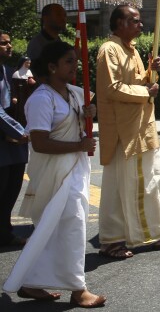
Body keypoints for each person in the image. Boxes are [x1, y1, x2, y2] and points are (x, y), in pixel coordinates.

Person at [3, 41, 106, 307]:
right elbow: (39, 142)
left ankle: (31, 282)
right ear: (51, 67)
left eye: (75, 60)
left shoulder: (73, 94)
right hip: (54, 172)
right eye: (69, 61)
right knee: (72, 224)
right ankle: (77, 288)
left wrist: (89, 115)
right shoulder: (41, 98)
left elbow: (78, 126)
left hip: (74, 169)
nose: (76, 65)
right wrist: (79, 145)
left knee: (55, 228)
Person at [96, 5, 160, 259]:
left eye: (139, 21)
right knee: (119, 187)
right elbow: (112, 89)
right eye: (134, 21)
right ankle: (111, 240)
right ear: (118, 24)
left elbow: (143, 82)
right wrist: (145, 92)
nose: (140, 25)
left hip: (143, 127)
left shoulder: (133, 50)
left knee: (155, 181)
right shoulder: (109, 50)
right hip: (123, 131)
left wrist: (153, 70)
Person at [0, 31, 28, 248]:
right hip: (5, 139)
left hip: (14, 143)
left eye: (10, 43)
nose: (9, 46)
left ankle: (5, 231)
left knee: (12, 188)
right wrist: (21, 131)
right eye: (3, 44)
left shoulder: (9, 72)